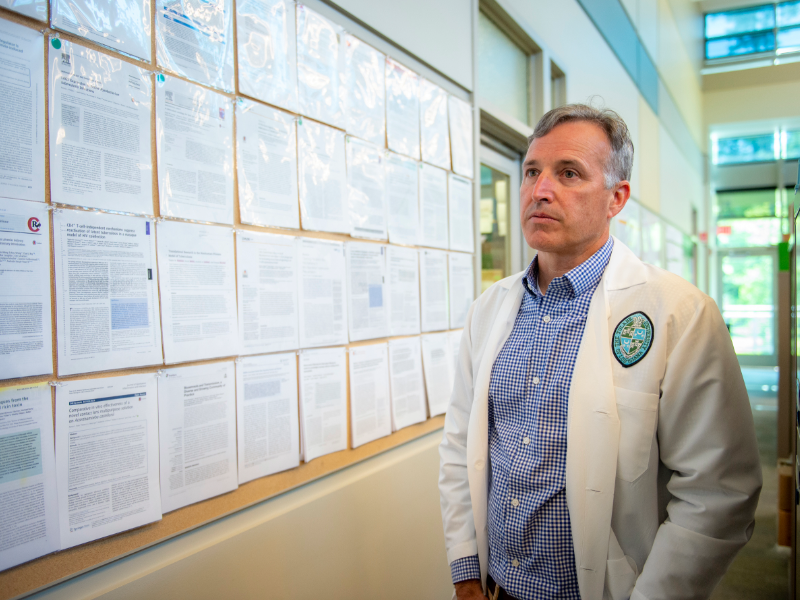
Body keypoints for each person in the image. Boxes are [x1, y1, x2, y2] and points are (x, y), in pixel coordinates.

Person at [438, 104, 762, 600]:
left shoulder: (678, 313)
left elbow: (716, 491)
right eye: (532, 172)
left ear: (617, 198)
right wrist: (465, 572)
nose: (539, 190)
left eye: (568, 173)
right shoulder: (490, 310)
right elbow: (460, 446)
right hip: (495, 587)